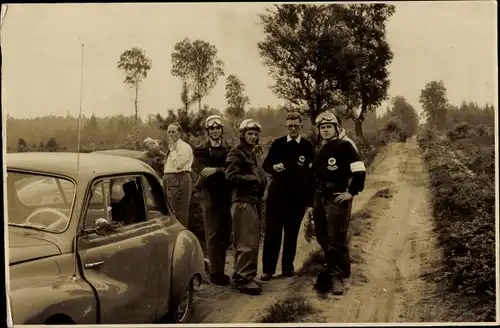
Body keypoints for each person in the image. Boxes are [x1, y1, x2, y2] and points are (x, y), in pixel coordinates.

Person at [310, 110, 366, 295]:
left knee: (335, 236)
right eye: (322, 127)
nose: (325, 130)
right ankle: (343, 266)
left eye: (328, 127)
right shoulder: (321, 147)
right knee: (321, 234)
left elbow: (359, 170)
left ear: (336, 128)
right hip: (320, 196)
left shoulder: (345, 146)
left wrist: (351, 192)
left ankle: (336, 276)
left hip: (336, 196)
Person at [260, 111, 315, 281]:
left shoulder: (307, 146)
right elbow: (266, 165)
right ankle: (267, 270)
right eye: (290, 126)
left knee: (292, 235)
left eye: (296, 125)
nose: (293, 128)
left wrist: (310, 202)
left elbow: (312, 175)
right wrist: (274, 167)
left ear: (301, 125)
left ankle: (287, 269)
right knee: (272, 235)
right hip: (277, 197)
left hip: (297, 199)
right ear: (286, 126)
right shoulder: (278, 144)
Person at [225, 118, 267, 295]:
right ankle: (243, 279)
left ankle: (243, 275)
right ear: (243, 135)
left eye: (256, 134)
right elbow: (230, 177)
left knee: (249, 240)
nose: (253, 137)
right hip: (242, 201)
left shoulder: (250, 153)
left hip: (251, 201)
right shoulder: (236, 153)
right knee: (246, 241)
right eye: (250, 134)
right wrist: (252, 179)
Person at [193, 115, 233, 286]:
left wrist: (217, 170)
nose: (215, 131)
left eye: (218, 128)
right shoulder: (201, 150)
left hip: (226, 194)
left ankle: (220, 270)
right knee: (213, 232)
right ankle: (215, 273)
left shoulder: (230, 149)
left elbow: (232, 169)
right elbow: (202, 171)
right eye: (212, 129)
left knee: (225, 232)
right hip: (210, 194)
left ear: (221, 130)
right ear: (208, 131)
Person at [163, 122, 194, 228]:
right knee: (169, 210)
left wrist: (172, 149)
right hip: (169, 178)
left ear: (179, 133)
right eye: (169, 132)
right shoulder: (172, 146)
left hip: (179, 177)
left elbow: (178, 165)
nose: (170, 134)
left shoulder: (184, 147)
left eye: (173, 132)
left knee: (178, 211)